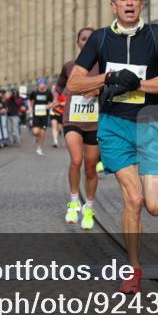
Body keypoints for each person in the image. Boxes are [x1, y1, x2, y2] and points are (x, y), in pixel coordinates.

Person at [67, 0, 158, 294]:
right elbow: (74, 84)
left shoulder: (156, 34)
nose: (129, 3)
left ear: (141, 4)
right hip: (114, 125)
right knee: (134, 199)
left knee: (154, 206)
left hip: (149, 124)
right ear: (113, 6)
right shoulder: (100, 39)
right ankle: (134, 270)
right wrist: (109, 77)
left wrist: (135, 84)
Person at [55, 26, 101, 230]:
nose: (86, 41)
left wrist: (99, 91)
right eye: (83, 39)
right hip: (72, 118)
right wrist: (57, 100)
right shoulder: (69, 66)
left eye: (90, 39)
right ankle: (74, 202)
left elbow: (113, 87)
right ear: (78, 42)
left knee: (91, 168)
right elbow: (59, 87)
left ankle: (88, 208)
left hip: (95, 121)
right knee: (76, 159)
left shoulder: (103, 66)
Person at [29, 78, 54, 156]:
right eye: (40, 84)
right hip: (36, 115)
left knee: (43, 133)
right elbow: (30, 101)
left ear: (45, 84)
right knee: (36, 132)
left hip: (44, 116)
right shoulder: (34, 93)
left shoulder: (48, 93)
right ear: (38, 84)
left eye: (43, 84)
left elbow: (52, 103)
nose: (41, 85)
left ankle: (39, 148)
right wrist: (30, 110)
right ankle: (36, 136)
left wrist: (48, 106)